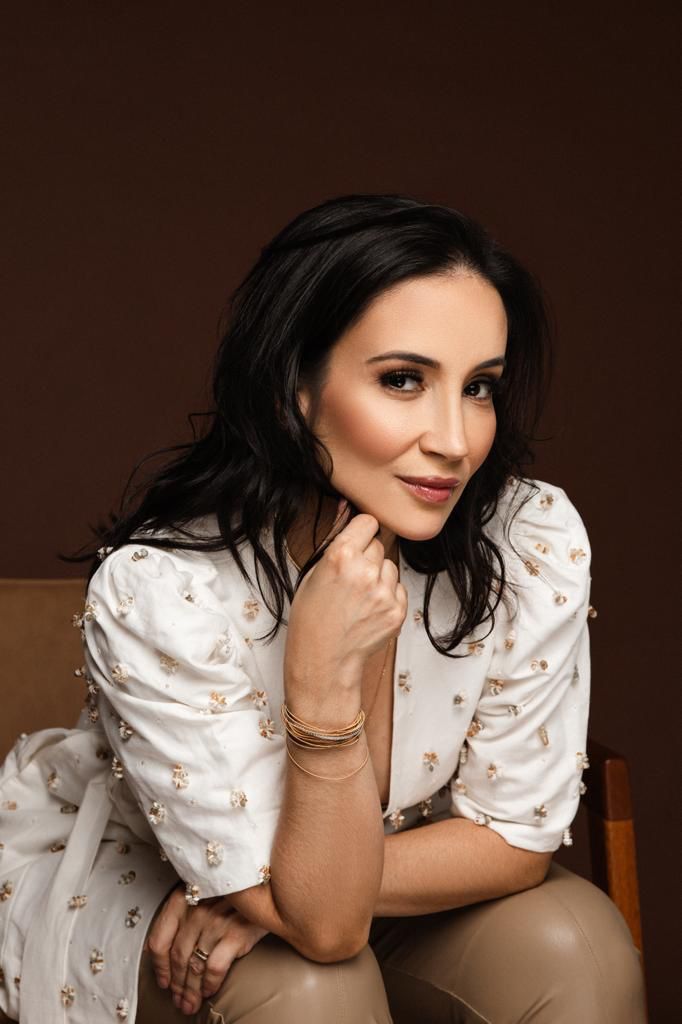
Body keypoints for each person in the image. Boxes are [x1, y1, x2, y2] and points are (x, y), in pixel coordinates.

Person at [0, 194, 646, 1023]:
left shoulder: (526, 537)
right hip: (150, 893)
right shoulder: (160, 591)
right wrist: (324, 681)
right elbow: (328, 934)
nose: (455, 440)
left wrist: (290, 894)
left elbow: (513, 842)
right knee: (313, 988)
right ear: (292, 392)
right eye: (403, 380)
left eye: (479, 387)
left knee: (576, 942)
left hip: (386, 888)